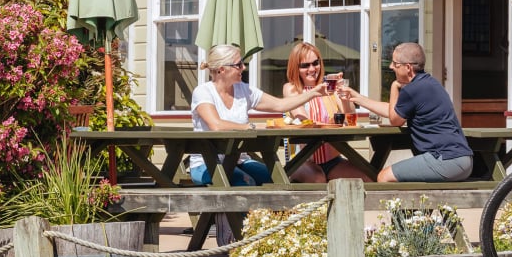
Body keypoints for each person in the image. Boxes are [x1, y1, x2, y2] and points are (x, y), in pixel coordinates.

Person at [188, 43, 328, 187]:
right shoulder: (203, 92)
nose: (244, 67)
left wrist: (313, 93)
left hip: (240, 160)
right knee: (246, 183)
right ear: (222, 69)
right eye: (238, 64)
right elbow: (216, 125)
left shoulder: (244, 90)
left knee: (279, 180)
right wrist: (250, 127)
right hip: (206, 163)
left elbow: (279, 105)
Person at [342, 42, 473, 182]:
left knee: (383, 177)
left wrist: (394, 86)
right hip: (462, 160)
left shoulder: (412, 90)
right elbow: (394, 111)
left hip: (445, 160)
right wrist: (357, 98)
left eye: (395, 64)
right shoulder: (430, 83)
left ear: (408, 67)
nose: (391, 67)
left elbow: (394, 120)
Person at [282, 42, 372, 183]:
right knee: (318, 179)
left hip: (332, 161)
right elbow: (305, 121)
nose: (312, 69)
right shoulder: (291, 89)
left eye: (315, 63)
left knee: (368, 177)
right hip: (302, 160)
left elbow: (351, 119)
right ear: (296, 68)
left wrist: (343, 94)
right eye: (305, 65)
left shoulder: (330, 88)